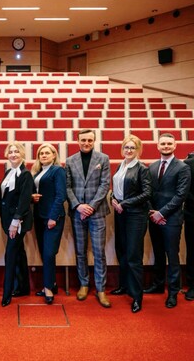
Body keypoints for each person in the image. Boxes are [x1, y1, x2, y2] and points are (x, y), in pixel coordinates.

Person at [65, 129, 111, 308]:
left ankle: (101, 289)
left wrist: (91, 206)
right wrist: (78, 206)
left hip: (97, 212)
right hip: (78, 212)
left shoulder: (103, 158)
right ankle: (84, 284)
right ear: (78, 141)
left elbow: (105, 184)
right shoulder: (70, 161)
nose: (86, 143)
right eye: (83, 140)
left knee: (99, 252)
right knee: (80, 251)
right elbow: (67, 187)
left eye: (90, 140)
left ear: (94, 141)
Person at [144, 133, 191, 308]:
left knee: (172, 256)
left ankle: (173, 292)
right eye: (163, 143)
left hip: (171, 219)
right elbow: (148, 192)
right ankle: (157, 285)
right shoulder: (152, 166)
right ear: (158, 146)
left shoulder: (183, 167)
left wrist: (162, 213)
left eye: (169, 143)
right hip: (154, 218)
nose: (166, 146)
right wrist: (153, 213)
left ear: (175, 145)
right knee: (158, 253)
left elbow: (181, 195)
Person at [110, 135, 152, 313]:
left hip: (135, 215)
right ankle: (124, 286)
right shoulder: (121, 165)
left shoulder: (142, 168)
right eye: (126, 147)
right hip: (120, 213)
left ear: (138, 150)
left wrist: (125, 203)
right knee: (122, 251)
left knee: (134, 255)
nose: (128, 150)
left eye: (132, 148)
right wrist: (113, 199)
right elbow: (117, 189)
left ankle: (137, 296)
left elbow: (147, 193)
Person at [0, 142, 33, 307]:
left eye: (16, 152)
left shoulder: (25, 174)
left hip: (17, 222)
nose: (13, 154)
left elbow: (24, 200)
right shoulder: (8, 172)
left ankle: (7, 294)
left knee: (10, 255)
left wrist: (15, 221)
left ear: (22, 154)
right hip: (8, 220)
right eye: (10, 151)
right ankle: (23, 287)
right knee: (19, 252)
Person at [31, 143, 66, 304]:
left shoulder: (58, 171)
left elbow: (61, 195)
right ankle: (52, 283)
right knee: (44, 252)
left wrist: (53, 217)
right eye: (41, 153)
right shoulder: (38, 173)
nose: (44, 155)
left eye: (47, 153)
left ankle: (48, 289)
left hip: (52, 217)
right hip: (39, 216)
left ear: (54, 155)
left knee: (49, 253)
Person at [184, 152, 194, 301]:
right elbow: (184, 190)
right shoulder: (188, 163)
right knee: (192, 250)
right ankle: (192, 285)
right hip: (193, 212)